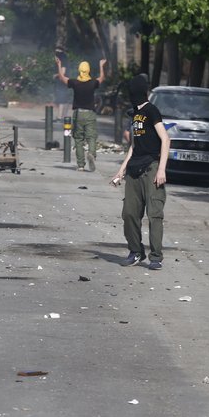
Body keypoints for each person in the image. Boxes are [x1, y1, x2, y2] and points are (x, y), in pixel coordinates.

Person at [114, 74, 170, 271]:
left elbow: (166, 139)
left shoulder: (151, 111)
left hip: (151, 168)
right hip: (134, 170)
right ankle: (135, 251)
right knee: (129, 213)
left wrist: (161, 169)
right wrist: (121, 171)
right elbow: (134, 146)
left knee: (154, 214)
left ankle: (156, 257)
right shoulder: (134, 115)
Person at [55, 55, 106, 172]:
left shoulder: (75, 83)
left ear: (79, 70)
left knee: (78, 139)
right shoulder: (93, 83)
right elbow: (102, 78)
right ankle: (91, 153)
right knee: (91, 136)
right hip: (90, 114)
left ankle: (81, 165)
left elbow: (62, 78)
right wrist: (101, 66)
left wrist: (59, 65)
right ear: (88, 70)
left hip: (78, 114)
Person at [53, 47, 70, 120]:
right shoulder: (65, 60)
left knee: (61, 99)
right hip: (65, 81)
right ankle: (64, 116)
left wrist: (56, 75)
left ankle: (60, 116)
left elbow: (63, 73)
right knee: (64, 99)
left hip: (62, 82)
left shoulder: (62, 61)